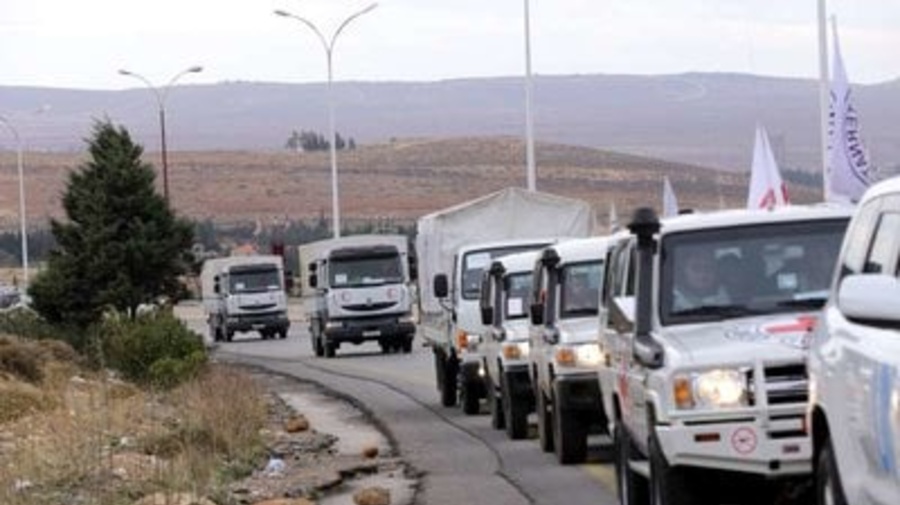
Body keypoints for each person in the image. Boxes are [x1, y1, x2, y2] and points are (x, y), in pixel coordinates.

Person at [672, 246, 730, 311]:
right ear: (684, 271)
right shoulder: (672, 301)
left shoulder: (727, 296)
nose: (703, 274)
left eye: (708, 268)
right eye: (696, 268)